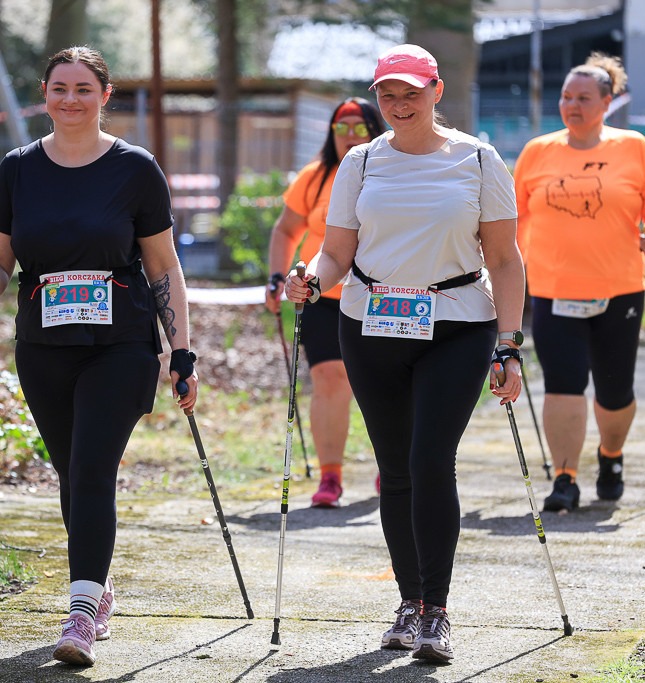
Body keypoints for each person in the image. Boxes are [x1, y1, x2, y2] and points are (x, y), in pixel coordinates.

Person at [285, 44, 524, 663]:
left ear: (436, 91)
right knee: (394, 465)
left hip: (457, 324)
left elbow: (503, 259)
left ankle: (437, 612)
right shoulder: (360, 163)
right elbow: (337, 250)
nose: (399, 105)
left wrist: (509, 343)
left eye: (411, 93)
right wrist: (310, 274)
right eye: (387, 95)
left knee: (429, 456)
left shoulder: (478, 158)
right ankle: (409, 602)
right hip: (371, 323)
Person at [0, 46, 198, 667]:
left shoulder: (135, 169)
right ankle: (97, 582)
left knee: (94, 466)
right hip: (44, 344)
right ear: (44, 94)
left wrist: (181, 352)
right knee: (71, 472)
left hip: (120, 341)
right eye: (60, 88)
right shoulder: (18, 169)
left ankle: (82, 608)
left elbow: (163, 266)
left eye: (83, 89)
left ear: (104, 96)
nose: (71, 99)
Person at [513, 54, 645, 514]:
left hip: (620, 288)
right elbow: (511, 220)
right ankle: (565, 477)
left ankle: (610, 455)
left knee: (615, 392)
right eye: (566, 97)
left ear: (607, 102)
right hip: (554, 289)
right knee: (563, 384)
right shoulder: (537, 152)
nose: (571, 106)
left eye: (583, 98)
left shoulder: (633, 147)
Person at [266, 98, 386, 508]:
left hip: (383, 298)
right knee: (331, 379)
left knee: (381, 383)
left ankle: (393, 468)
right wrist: (276, 277)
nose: (350, 135)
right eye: (342, 127)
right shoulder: (314, 177)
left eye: (359, 126)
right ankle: (330, 477)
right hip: (322, 296)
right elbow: (285, 231)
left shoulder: (393, 170)